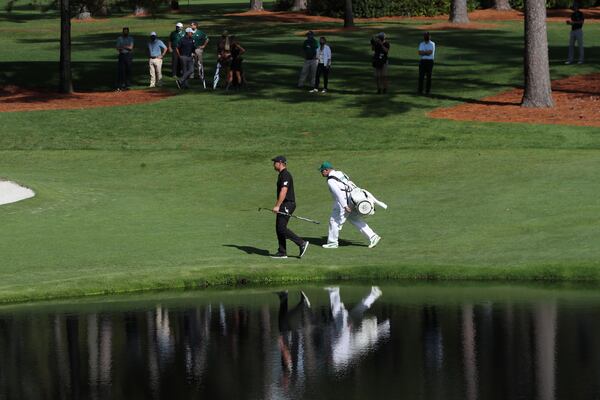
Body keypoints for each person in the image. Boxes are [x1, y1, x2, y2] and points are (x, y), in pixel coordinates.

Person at [319, 161, 381, 249]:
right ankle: (373, 236)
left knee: (334, 221)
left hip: (343, 203)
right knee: (355, 219)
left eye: (322, 171)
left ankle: (332, 242)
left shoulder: (331, 180)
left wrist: (345, 206)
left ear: (326, 170)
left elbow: (338, 194)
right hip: (352, 199)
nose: (321, 173)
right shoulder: (340, 173)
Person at [271, 156, 310, 259]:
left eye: (274, 162)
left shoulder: (285, 175)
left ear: (280, 163)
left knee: (281, 228)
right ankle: (282, 252)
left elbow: (283, 191)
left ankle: (301, 243)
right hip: (285, 204)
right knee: (279, 228)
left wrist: (277, 206)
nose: (273, 164)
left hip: (287, 204)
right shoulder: (281, 175)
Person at [190, 21, 209, 87]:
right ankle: (191, 75)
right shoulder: (189, 32)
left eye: (192, 25)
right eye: (191, 25)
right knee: (192, 62)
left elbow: (207, 39)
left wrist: (204, 45)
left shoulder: (200, 33)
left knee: (199, 62)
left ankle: (200, 75)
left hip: (198, 49)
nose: (191, 26)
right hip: (191, 50)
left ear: (195, 26)